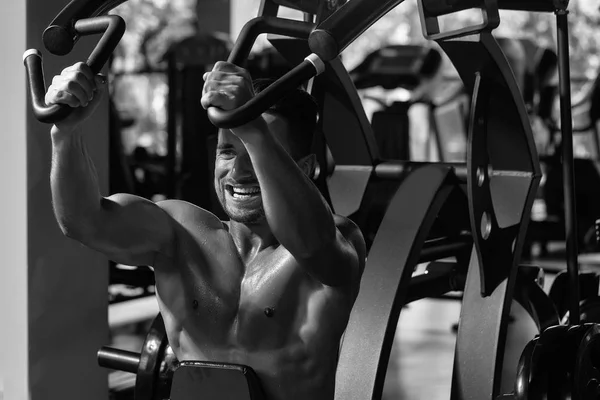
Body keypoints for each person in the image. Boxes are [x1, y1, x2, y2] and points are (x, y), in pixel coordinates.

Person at [45, 60, 367, 400]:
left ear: (305, 168)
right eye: (228, 151)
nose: (239, 172)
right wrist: (65, 134)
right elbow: (84, 221)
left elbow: (313, 246)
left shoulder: (336, 238)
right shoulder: (180, 233)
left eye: (257, 153)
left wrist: (253, 130)